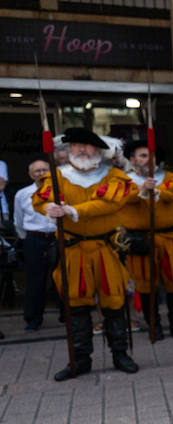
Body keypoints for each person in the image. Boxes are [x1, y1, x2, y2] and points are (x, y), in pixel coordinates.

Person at [32, 127, 140, 380]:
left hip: (105, 249)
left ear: (99, 150)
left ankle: (120, 354)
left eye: (87, 146)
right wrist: (47, 207)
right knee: (76, 305)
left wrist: (72, 211)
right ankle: (79, 360)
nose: (81, 149)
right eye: (76, 145)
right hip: (73, 251)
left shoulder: (114, 176)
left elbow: (110, 203)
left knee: (114, 302)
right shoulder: (57, 176)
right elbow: (39, 200)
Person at [120, 140, 173, 340]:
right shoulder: (124, 181)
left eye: (151, 156)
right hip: (141, 240)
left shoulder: (171, 177)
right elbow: (123, 198)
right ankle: (154, 325)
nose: (148, 160)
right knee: (145, 284)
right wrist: (141, 191)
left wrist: (156, 190)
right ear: (132, 159)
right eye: (142, 156)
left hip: (170, 238)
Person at [15, 158, 58, 331]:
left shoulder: (59, 189)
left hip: (57, 237)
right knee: (35, 280)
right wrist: (26, 238)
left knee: (63, 276)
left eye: (44, 170)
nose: (41, 173)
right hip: (34, 238)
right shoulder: (23, 194)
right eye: (37, 171)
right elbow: (18, 219)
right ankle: (33, 319)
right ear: (31, 175)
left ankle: (66, 315)